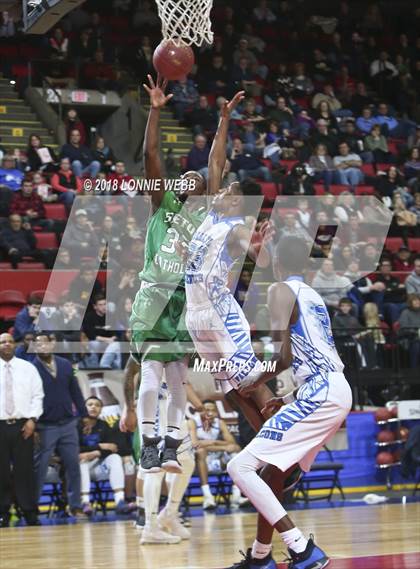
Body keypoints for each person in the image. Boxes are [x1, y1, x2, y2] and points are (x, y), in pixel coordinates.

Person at [128, 77, 244, 473]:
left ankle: (172, 444)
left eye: (195, 181)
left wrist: (224, 121)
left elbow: (215, 163)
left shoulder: (204, 215)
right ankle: (149, 444)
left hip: (185, 302)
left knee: (178, 379)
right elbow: (150, 152)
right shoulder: (161, 204)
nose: (189, 179)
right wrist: (156, 110)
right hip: (154, 296)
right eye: (183, 179)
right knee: (150, 372)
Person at [226, 237, 352, 569]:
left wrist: (255, 380)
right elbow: (314, 356)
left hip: (321, 392)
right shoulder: (314, 296)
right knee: (271, 475)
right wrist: (287, 396)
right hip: (330, 388)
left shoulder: (279, 290)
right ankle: (261, 557)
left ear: (277, 263)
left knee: (239, 467)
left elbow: (285, 357)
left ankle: (302, 550)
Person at [33, 332, 87, 517]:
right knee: (39, 467)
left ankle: (75, 505)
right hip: (44, 425)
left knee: (73, 465)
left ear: (52, 344)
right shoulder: (31, 368)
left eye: (44, 343)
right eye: (37, 344)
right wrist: (32, 422)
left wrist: (84, 414)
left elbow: (76, 391)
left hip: (68, 423)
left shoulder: (65, 364)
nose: (42, 346)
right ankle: (31, 507)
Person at [0, 333, 44, 527]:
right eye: (2, 342)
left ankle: (29, 511)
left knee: (25, 471)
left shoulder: (28, 368)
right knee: (0, 472)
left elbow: (38, 395)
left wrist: (32, 420)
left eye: (10, 341)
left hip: (23, 425)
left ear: (15, 344)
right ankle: (3, 512)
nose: (6, 344)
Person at [78, 396, 135, 515]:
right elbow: (74, 449)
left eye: (97, 405)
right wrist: (98, 447)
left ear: (101, 409)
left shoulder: (103, 425)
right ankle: (85, 502)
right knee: (82, 459)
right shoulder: (76, 425)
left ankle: (120, 501)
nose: (93, 407)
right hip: (79, 467)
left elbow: (113, 447)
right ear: (84, 407)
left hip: (97, 465)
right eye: (90, 404)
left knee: (115, 458)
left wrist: (97, 452)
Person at [189, 400, 244, 510]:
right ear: (200, 412)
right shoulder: (193, 422)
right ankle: (207, 496)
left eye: (213, 410)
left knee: (236, 450)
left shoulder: (220, 423)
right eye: (207, 410)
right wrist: (221, 445)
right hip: (197, 464)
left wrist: (209, 443)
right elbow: (195, 445)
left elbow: (232, 444)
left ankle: (237, 495)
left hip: (216, 462)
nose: (210, 413)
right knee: (200, 452)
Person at [82, 294, 121, 369]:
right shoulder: (89, 317)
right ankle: (100, 368)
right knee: (94, 345)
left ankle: (117, 369)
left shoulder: (111, 316)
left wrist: (113, 338)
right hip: (95, 342)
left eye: (105, 304)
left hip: (109, 342)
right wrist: (107, 340)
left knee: (117, 345)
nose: (103, 307)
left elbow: (115, 332)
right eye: (100, 305)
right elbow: (91, 335)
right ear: (95, 306)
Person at [398, 294, 420, 367]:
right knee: (416, 346)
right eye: (415, 300)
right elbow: (403, 329)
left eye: (418, 300)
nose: (417, 302)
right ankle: (413, 370)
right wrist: (417, 331)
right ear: (410, 302)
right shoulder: (406, 312)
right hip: (411, 338)